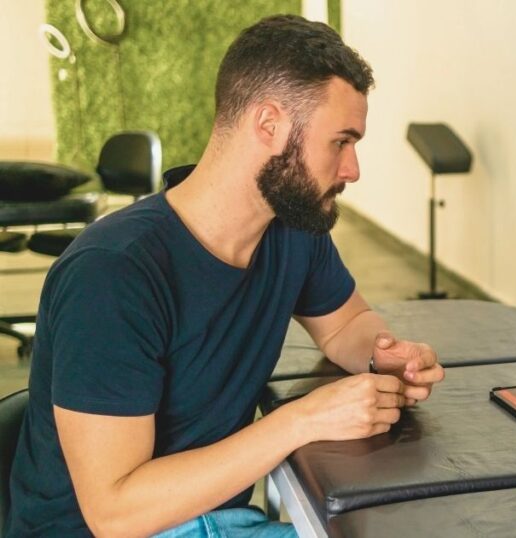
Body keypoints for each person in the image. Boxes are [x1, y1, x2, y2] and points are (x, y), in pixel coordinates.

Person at [6, 15, 445, 537]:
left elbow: (346, 323)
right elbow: (114, 512)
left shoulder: (293, 230)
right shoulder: (113, 274)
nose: (352, 170)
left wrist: (383, 352)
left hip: (216, 518)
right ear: (268, 125)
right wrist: (301, 420)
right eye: (340, 142)